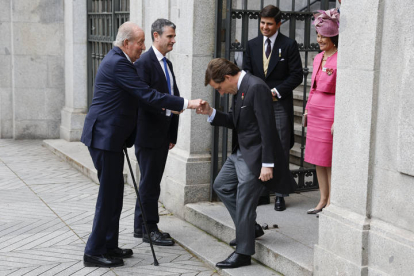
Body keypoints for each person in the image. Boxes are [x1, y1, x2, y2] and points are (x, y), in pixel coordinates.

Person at [80, 21, 202, 267]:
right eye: (140, 43)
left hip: (111, 138)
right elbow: (147, 95)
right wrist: (186, 102)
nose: (143, 47)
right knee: (108, 195)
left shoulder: (121, 60)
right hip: (103, 138)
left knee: (114, 195)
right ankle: (93, 252)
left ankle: (109, 245)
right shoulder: (119, 64)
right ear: (126, 43)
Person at [197, 58, 295, 268]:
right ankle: (252, 228)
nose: (221, 93)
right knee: (221, 185)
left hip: (258, 155)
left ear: (227, 77)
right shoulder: (240, 87)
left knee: (244, 200)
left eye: (220, 88)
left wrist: (267, 164)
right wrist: (211, 113)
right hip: (242, 152)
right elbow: (235, 121)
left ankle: (243, 253)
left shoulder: (256, 87)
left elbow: (267, 128)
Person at [243, 4, 303, 211]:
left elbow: (296, 75)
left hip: (279, 104)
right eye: (262, 23)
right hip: (257, 106)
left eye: (269, 24)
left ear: (278, 24)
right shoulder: (251, 45)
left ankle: (280, 193)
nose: (265, 27)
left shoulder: (289, 45)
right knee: (259, 144)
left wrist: (276, 91)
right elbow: (246, 73)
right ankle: (260, 190)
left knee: (280, 147)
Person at [132, 19, 180, 246]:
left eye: (173, 36)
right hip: (148, 134)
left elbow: (173, 95)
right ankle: (150, 229)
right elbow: (145, 100)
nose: (173, 40)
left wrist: (172, 135)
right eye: (169, 36)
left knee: (149, 183)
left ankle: (139, 227)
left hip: (162, 135)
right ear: (156, 36)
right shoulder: (144, 63)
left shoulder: (166, 64)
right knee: (151, 185)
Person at [304, 9, 339, 214]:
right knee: (318, 159)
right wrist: (307, 109)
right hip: (316, 112)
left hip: (330, 112)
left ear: (333, 37)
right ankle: (322, 198)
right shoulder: (318, 58)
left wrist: (338, 119)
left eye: (322, 36)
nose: (319, 40)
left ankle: (332, 201)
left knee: (329, 159)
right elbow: (313, 87)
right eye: (317, 36)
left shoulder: (340, 58)